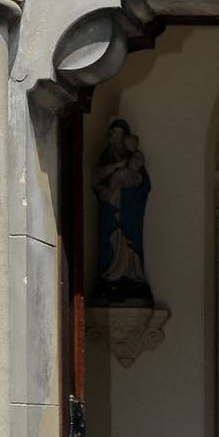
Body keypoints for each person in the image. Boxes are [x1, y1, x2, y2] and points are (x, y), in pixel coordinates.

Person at [92, 118, 152, 306]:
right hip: (110, 208)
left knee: (129, 238)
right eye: (114, 133)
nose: (116, 137)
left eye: (120, 134)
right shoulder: (107, 157)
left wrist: (129, 188)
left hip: (129, 208)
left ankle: (130, 274)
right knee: (110, 238)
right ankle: (110, 275)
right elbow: (98, 177)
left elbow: (143, 184)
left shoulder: (133, 156)